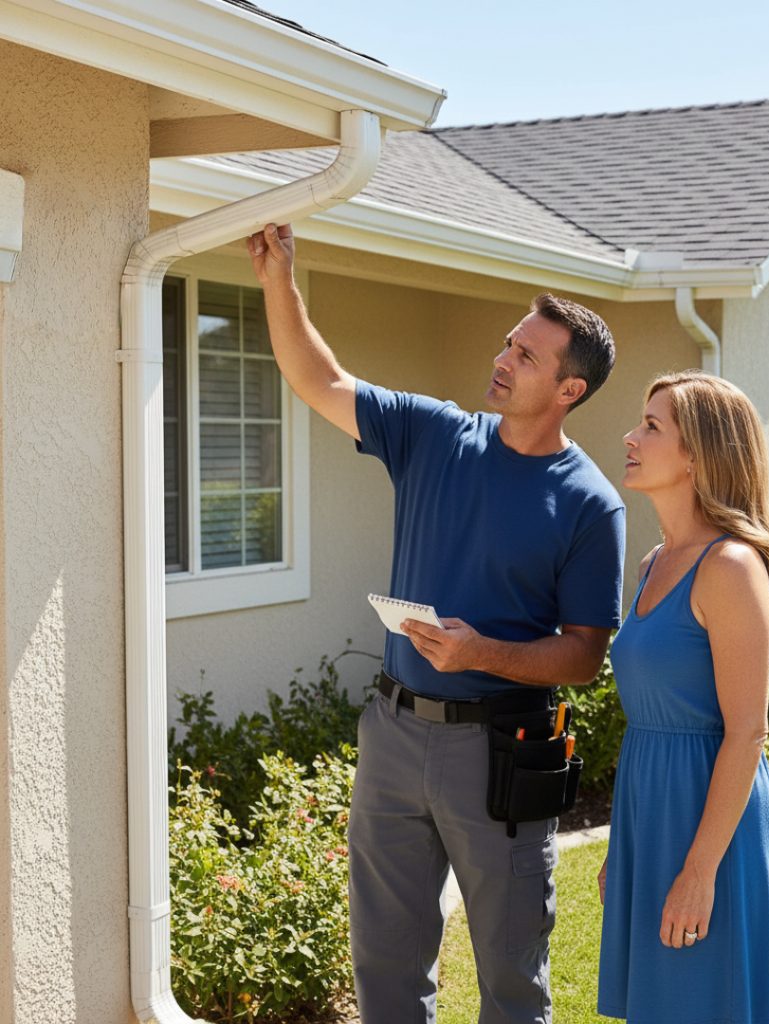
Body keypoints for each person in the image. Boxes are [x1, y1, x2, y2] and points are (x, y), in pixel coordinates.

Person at [247, 222, 626, 1024]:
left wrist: (478, 652)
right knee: (383, 963)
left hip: (498, 753)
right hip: (392, 733)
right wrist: (281, 279)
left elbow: (585, 656)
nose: (504, 359)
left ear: (570, 390)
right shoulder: (435, 434)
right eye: (508, 343)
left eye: (527, 356)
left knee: (511, 976)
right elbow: (320, 379)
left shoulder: (591, 503)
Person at [597, 370, 769, 1024]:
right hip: (652, 816)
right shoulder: (655, 561)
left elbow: (747, 733)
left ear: (696, 455)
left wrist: (700, 871)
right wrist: (622, 849)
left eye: (651, 427)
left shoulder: (730, 567)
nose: (631, 436)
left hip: (713, 828)